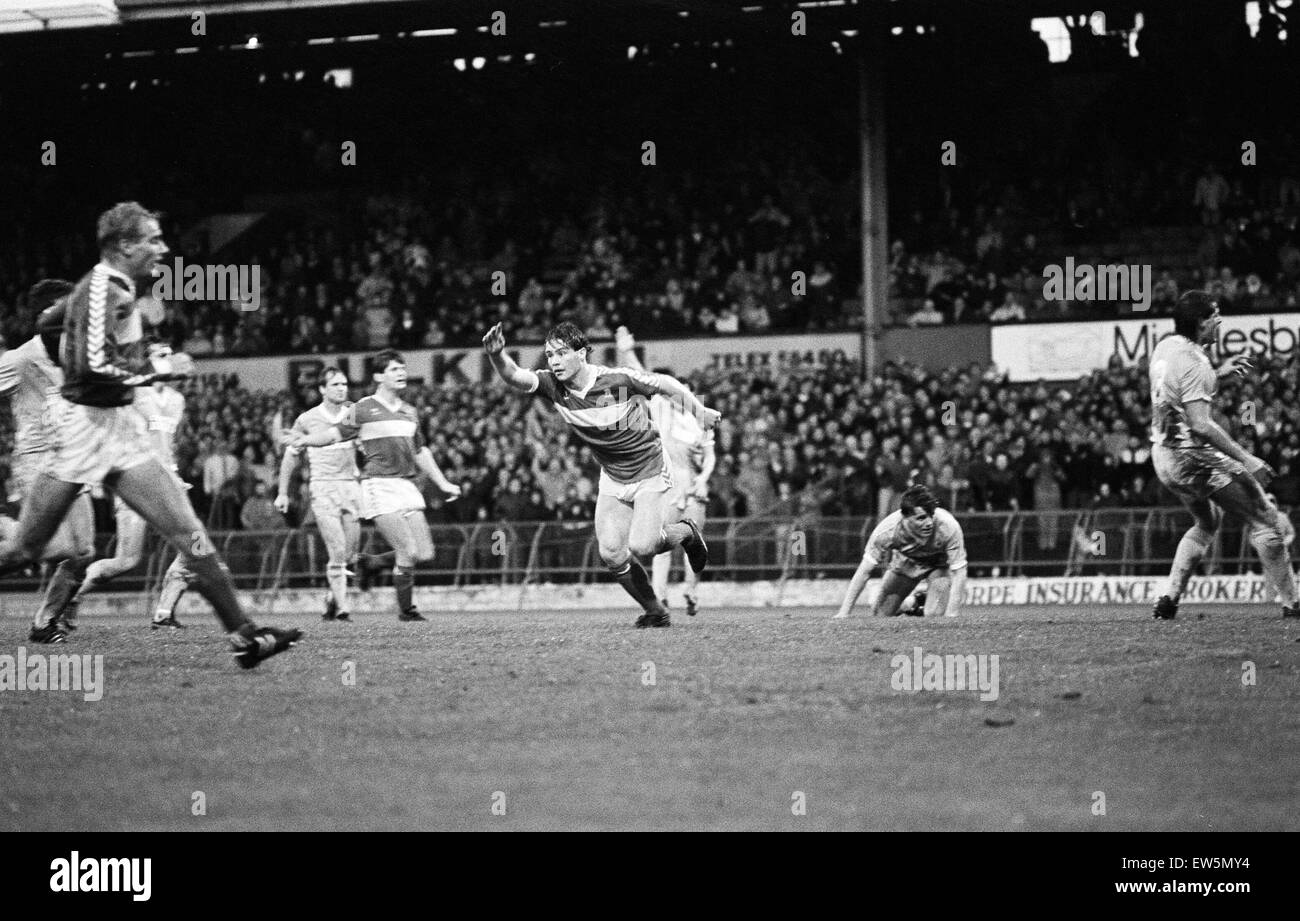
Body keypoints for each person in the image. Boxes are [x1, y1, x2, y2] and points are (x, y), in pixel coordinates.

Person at [0, 201, 300, 666]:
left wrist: (66, 320)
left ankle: (246, 637)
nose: (163, 247)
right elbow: (93, 366)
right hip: (80, 432)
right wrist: (159, 369)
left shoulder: (113, 287)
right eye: (153, 239)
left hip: (118, 431)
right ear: (125, 245)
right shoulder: (104, 289)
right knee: (26, 549)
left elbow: (47, 323)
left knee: (189, 532)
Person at [483, 321, 719, 628]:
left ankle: (686, 531)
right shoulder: (552, 385)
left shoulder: (614, 379)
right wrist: (497, 355)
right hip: (612, 475)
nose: (553, 361)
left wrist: (699, 411)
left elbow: (663, 384)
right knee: (611, 553)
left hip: (648, 466)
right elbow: (514, 375)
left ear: (581, 354)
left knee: (643, 546)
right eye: (549, 355)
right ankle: (655, 610)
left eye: (561, 353)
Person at [1149, 291, 1299, 619]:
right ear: (1201, 324)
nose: (1219, 321)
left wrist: (1220, 373)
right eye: (1214, 316)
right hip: (1193, 458)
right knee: (1265, 519)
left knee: (1207, 521)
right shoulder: (1195, 363)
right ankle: (1293, 603)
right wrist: (1247, 458)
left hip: (1163, 457)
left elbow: (1181, 386)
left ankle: (1169, 598)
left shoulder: (1166, 346)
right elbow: (1201, 425)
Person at [290, 349, 461, 621]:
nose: (402, 373)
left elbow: (420, 451)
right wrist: (305, 440)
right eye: (394, 369)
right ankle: (407, 610)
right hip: (378, 485)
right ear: (379, 376)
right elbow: (334, 434)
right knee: (408, 550)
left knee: (425, 553)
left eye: (403, 368)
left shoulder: (409, 412)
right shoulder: (362, 409)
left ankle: (373, 562)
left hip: (406, 485)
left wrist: (443, 483)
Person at [49, 342, 199, 631]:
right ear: (148, 361)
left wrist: (174, 471)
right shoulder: (131, 394)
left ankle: (164, 613)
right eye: (161, 356)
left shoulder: (177, 400)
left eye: (170, 355)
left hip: (167, 482)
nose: (169, 361)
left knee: (195, 544)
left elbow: (166, 442)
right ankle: (72, 598)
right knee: (126, 561)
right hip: (136, 483)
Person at [0, 280, 96, 634]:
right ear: (46, 314)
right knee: (52, 550)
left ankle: (44, 623)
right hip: (38, 459)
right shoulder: (20, 359)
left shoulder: (76, 356)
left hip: (74, 458)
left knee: (83, 552)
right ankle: (7, 528)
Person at [615, 326, 716, 616]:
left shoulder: (699, 420)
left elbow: (710, 456)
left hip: (690, 483)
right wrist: (626, 350)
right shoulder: (663, 406)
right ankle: (661, 595)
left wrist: (704, 479)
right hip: (671, 481)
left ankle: (691, 591)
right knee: (660, 538)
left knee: (690, 542)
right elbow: (642, 374)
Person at [277, 368, 361, 621]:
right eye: (335, 384)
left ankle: (331, 596)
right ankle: (344, 608)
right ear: (323, 389)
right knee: (336, 549)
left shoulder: (354, 414)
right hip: (323, 487)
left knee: (350, 551)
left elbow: (366, 443)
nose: (341, 388)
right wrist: (282, 492)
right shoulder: (306, 420)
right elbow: (290, 458)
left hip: (350, 485)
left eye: (344, 384)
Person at [833, 484, 968, 619]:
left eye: (930, 516)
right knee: (880, 615)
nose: (929, 523)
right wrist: (844, 612)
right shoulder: (887, 531)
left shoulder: (949, 526)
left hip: (938, 566)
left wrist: (952, 614)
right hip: (906, 564)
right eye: (921, 518)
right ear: (905, 517)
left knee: (934, 615)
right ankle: (913, 603)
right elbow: (864, 571)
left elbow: (959, 572)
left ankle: (929, 605)